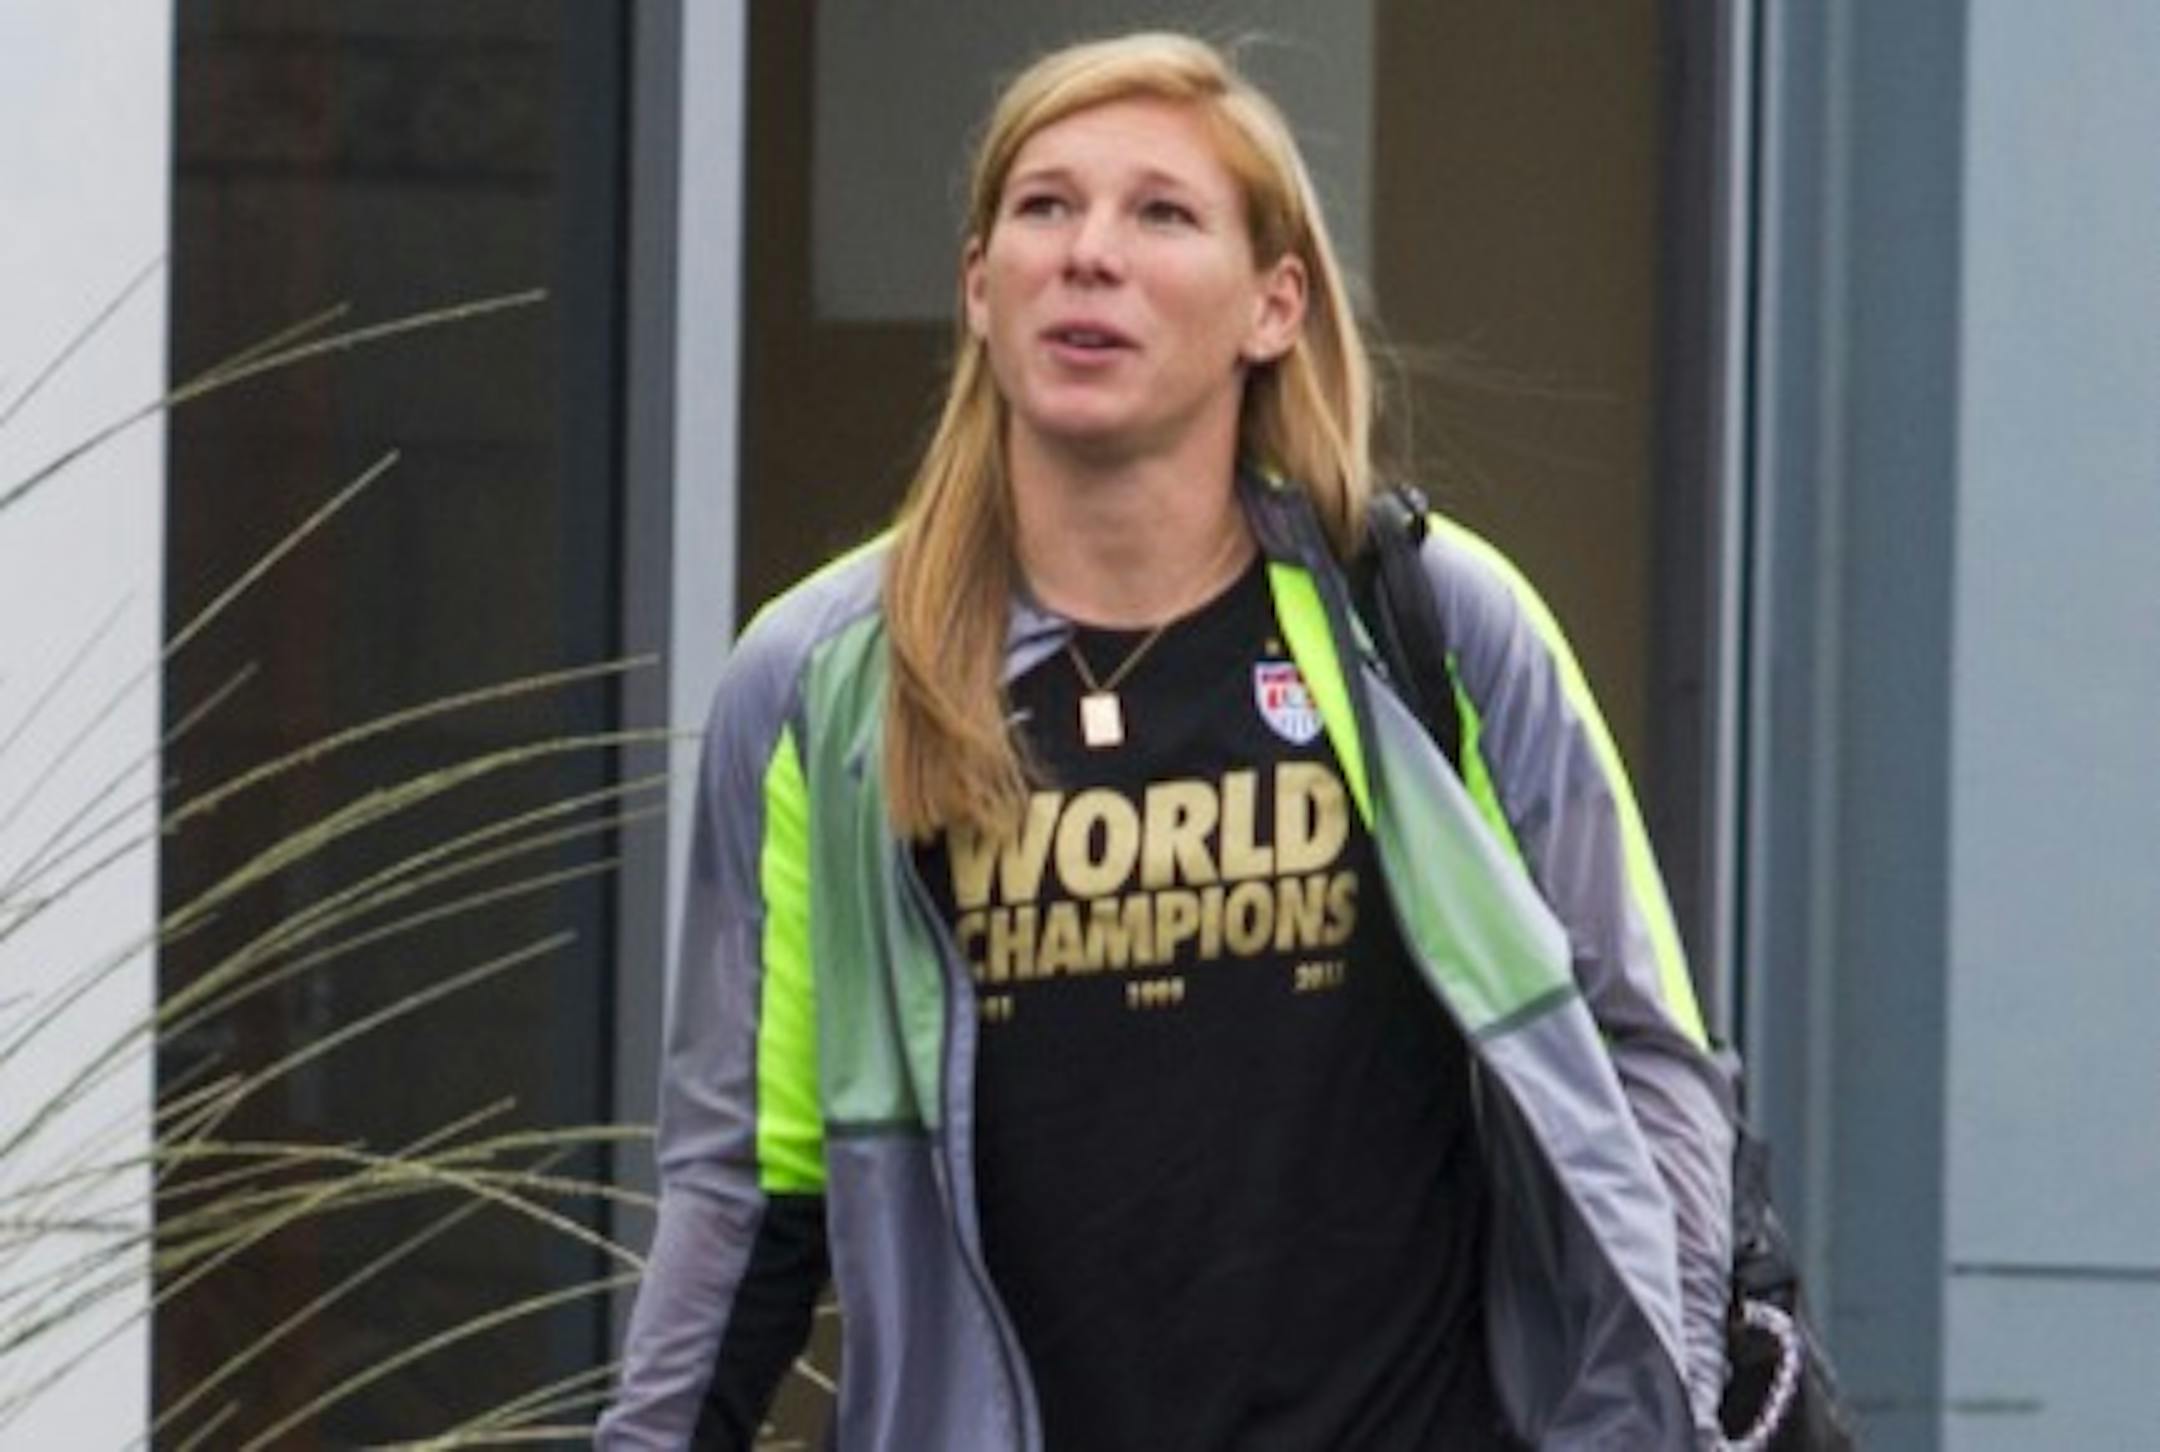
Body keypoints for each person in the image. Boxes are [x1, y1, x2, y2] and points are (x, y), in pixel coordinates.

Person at [599, 31, 1733, 1452]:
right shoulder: (824, 690)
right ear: (979, 288)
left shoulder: (1434, 630)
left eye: (1162, 214)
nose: (1089, 255)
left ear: (1273, 305)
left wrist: (1664, 1422)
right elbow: (747, 1189)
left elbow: (1648, 1069)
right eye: (1046, 207)